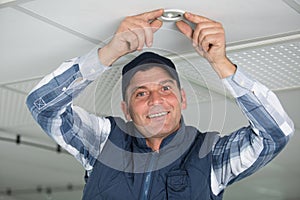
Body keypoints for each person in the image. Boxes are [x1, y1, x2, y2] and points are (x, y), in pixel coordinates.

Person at [26, 9, 294, 200]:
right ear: (126, 110)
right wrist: (109, 52)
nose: (156, 100)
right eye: (140, 93)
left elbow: (276, 133)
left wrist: (221, 64)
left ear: (182, 98)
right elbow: (43, 106)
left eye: (165, 88)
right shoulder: (102, 143)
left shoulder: (210, 157)